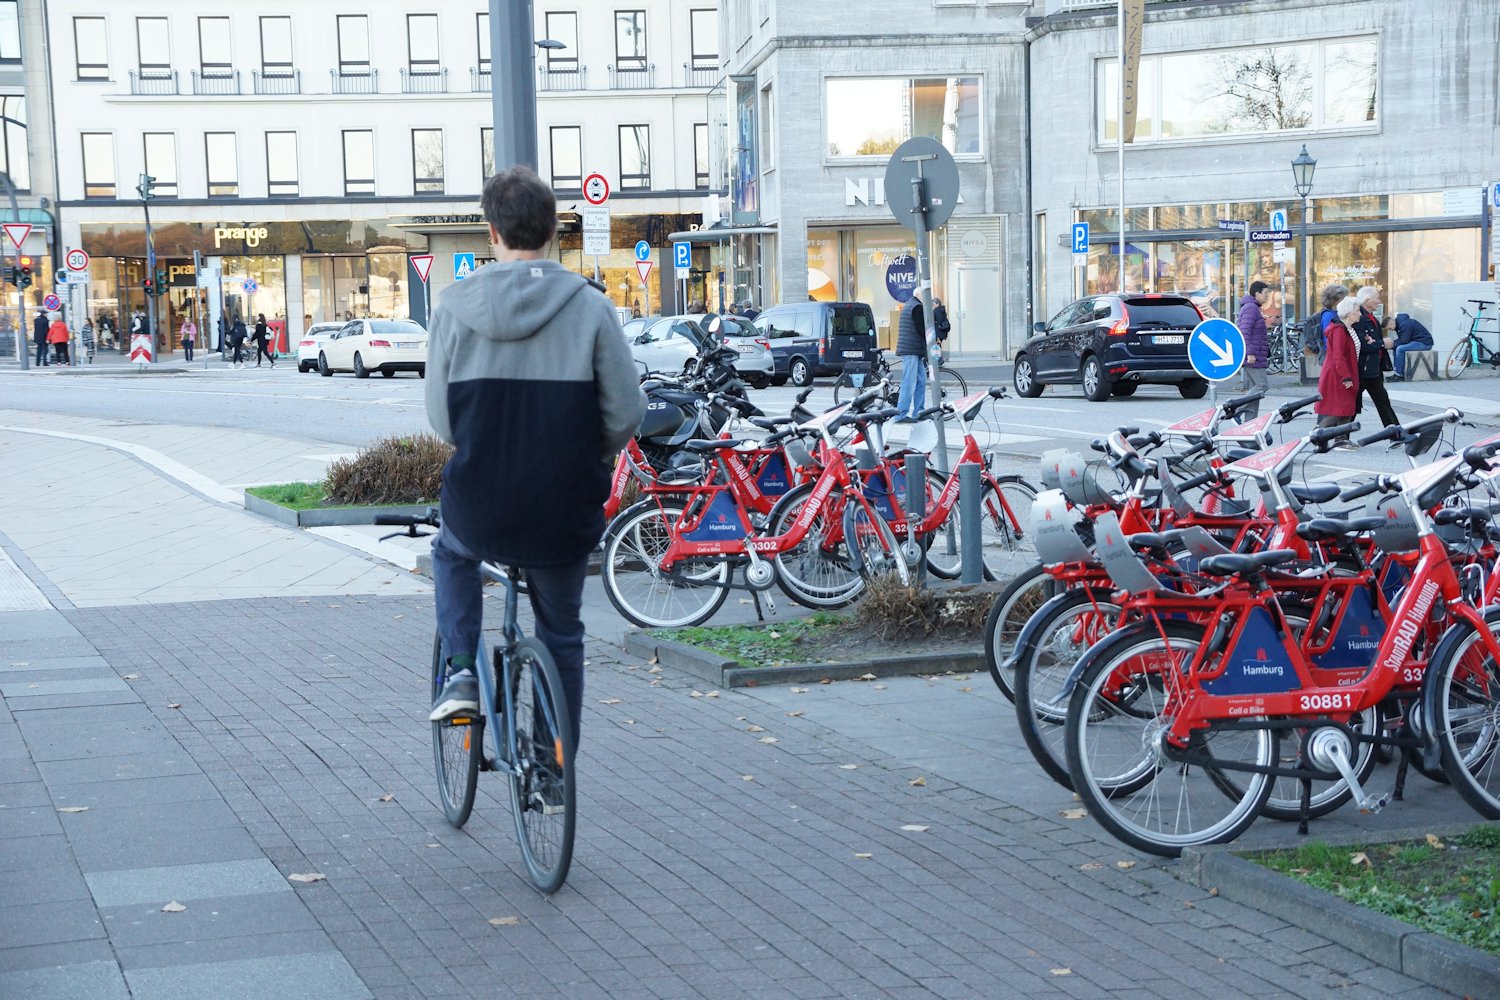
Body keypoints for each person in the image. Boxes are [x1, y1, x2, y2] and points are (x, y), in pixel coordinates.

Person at [425, 166, 645, 755]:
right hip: (563, 507)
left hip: (482, 506)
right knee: (563, 635)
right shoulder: (592, 309)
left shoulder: (451, 309)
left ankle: (460, 671)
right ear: (553, 233)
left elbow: (443, 424)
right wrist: (579, 453)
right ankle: (553, 764)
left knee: (450, 552)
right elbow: (626, 413)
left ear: (491, 232)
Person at [1316, 296, 1362, 450]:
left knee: (1347, 406)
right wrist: (1346, 377)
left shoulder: (1347, 328)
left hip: (1344, 372)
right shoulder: (1339, 330)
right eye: (1357, 310)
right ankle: (1317, 433)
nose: (1360, 313)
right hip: (1338, 374)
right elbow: (1338, 356)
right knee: (1339, 408)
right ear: (1349, 313)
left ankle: (1341, 440)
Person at [1353, 286, 1398, 432]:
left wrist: (1379, 342)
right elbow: (1361, 344)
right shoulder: (1359, 317)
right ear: (1367, 300)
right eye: (1377, 298)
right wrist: (1382, 343)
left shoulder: (1370, 317)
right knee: (1353, 404)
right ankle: (1337, 434)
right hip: (1363, 368)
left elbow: (1371, 341)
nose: (1379, 301)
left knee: (1383, 401)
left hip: (1373, 368)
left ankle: (1396, 433)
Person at [1236, 281, 1272, 416]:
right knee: (1262, 385)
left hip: (1256, 354)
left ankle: (1249, 424)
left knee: (1254, 390)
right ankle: (1235, 409)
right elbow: (1244, 331)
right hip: (1253, 355)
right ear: (1257, 293)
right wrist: (1249, 352)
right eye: (1265, 293)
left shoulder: (1252, 307)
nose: (1267, 296)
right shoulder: (1251, 308)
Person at [894, 295, 927, 422]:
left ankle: (919, 411)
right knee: (909, 381)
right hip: (911, 349)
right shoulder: (917, 307)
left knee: (921, 380)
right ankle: (901, 414)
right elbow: (922, 328)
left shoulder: (910, 304)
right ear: (920, 295)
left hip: (913, 349)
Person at [1383, 312, 1433, 382]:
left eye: (1389, 328)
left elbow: (1404, 340)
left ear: (1392, 323)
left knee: (1400, 349)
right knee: (1397, 347)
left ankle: (1399, 374)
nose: (1390, 330)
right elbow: (1403, 340)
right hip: (1417, 342)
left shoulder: (1404, 324)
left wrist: (1391, 344)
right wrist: (1392, 344)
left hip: (1424, 343)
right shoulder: (1401, 324)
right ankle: (1397, 372)